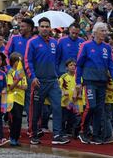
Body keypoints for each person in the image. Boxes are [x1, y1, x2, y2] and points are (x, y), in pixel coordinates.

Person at [25, 17, 70, 145]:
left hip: (53, 81)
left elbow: (57, 60)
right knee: (36, 110)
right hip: (38, 82)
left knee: (57, 107)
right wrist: (32, 77)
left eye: (47, 26)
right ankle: (34, 134)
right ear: (38, 28)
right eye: (42, 26)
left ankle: (57, 135)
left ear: (50, 28)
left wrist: (55, 74)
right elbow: (28, 61)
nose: (45, 28)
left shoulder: (55, 43)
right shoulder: (32, 42)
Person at [76, 22, 113, 145]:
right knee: (91, 106)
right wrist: (78, 82)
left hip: (102, 82)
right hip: (89, 81)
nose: (104, 33)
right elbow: (79, 64)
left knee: (100, 109)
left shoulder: (107, 47)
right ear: (95, 32)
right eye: (102, 31)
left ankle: (96, 135)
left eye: (105, 31)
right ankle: (83, 131)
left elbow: (112, 65)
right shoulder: (86, 45)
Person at [5, 18, 34, 121]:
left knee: (29, 99)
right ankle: (11, 122)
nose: (20, 28)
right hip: (14, 74)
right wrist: (9, 69)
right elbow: (6, 54)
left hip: (29, 74)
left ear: (30, 28)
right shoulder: (14, 38)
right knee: (13, 98)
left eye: (23, 26)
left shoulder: (34, 41)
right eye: (20, 26)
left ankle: (30, 126)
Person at [7, 52, 27, 146]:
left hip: (21, 99)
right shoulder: (10, 72)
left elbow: (25, 86)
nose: (20, 62)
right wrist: (18, 82)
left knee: (19, 120)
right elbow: (10, 87)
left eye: (20, 61)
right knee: (15, 118)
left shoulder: (21, 72)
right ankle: (12, 137)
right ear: (13, 61)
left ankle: (16, 137)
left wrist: (20, 85)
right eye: (18, 61)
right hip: (13, 98)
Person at [59, 59, 82, 139]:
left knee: (74, 118)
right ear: (66, 67)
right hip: (65, 102)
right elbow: (59, 88)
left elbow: (81, 87)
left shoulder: (78, 77)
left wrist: (79, 94)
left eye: (74, 65)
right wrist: (64, 92)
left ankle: (71, 131)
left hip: (75, 102)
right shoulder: (63, 77)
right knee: (64, 118)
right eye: (71, 65)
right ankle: (62, 132)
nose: (73, 67)